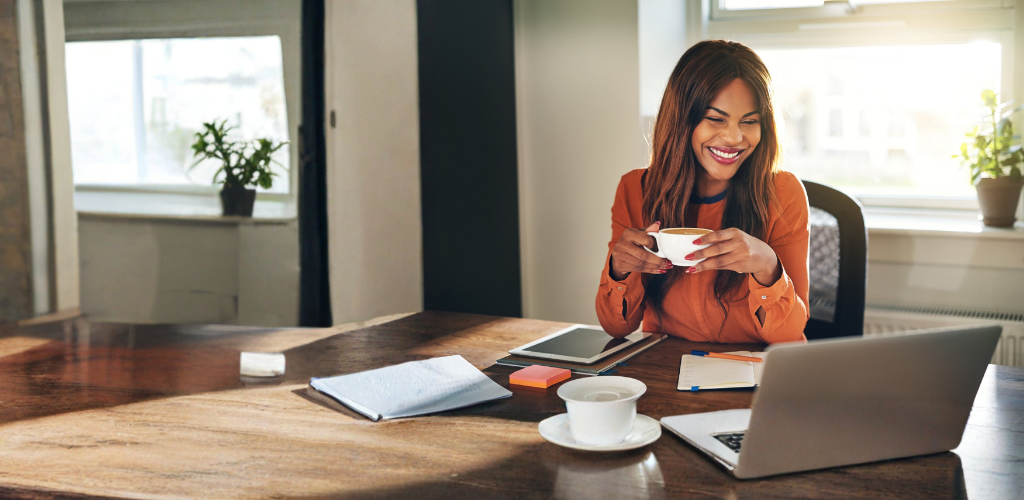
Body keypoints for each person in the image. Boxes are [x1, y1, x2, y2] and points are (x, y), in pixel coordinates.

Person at [595, 40, 809, 344]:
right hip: (669, 372)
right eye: (715, 119)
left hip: (755, 376)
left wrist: (767, 266)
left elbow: (788, 336)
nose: (735, 137)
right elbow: (617, 328)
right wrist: (619, 270)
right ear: (682, 119)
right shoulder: (635, 189)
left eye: (749, 122)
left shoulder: (783, 193)